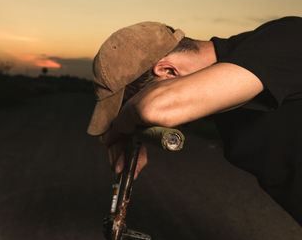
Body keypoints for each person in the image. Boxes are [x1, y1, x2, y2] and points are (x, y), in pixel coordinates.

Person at [86, 17, 302, 225]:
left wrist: (118, 129)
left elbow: (155, 108)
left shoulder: (286, 37)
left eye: (133, 105)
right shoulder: (223, 105)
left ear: (167, 70)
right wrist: (132, 137)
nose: (140, 122)